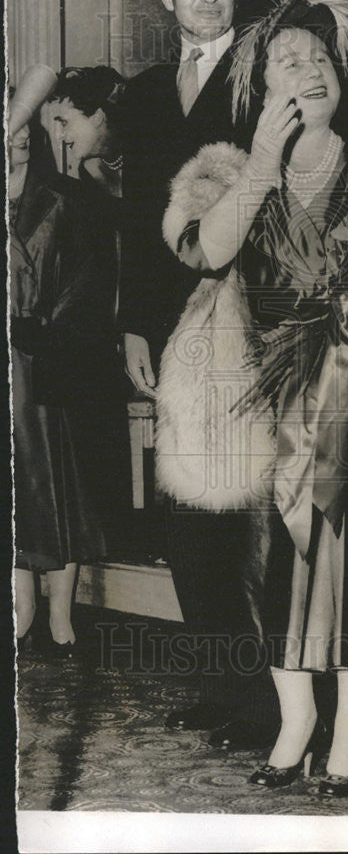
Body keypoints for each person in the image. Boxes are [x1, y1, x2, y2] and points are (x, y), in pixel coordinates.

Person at [158, 0, 348, 796]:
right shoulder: (234, 170)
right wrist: (261, 158)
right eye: (288, 60)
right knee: (272, 566)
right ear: (259, 87)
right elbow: (208, 252)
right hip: (262, 396)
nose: (309, 70)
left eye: (320, 59)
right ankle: (295, 719)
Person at [118, 0, 278, 746]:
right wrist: (135, 326)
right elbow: (132, 224)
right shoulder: (143, 96)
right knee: (186, 517)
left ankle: (265, 702)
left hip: (245, 320)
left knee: (246, 516)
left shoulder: (265, 77)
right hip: (170, 335)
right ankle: (216, 682)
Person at [11, 66, 125, 656]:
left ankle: (61, 614)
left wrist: (46, 330)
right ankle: (21, 606)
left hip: (48, 361)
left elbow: (90, 278)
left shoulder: (69, 198)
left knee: (58, 482)